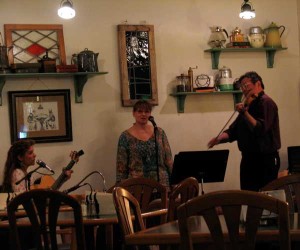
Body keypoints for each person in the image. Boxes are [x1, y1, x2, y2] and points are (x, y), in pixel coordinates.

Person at [208, 71, 281, 191]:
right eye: (242, 87)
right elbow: (233, 131)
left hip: (265, 160)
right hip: (248, 159)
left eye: (246, 85)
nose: (243, 90)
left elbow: (260, 129)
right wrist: (219, 139)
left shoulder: (267, 102)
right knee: (248, 196)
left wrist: (244, 113)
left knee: (265, 199)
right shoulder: (248, 106)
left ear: (258, 84)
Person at [116, 100, 173, 189]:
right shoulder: (125, 136)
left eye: (146, 111)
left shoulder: (159, 133)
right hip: (137, 186)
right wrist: (120, 188)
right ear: (133, 113)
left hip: (161, 185)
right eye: (140, 111)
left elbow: (168, 160)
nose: (143, 114)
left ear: (150, 114)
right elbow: (121, 167)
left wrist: (175, 181)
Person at [1, 139, 76, 193]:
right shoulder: (17, 173)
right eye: (30, 153)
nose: (35, 155)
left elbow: (50, 193)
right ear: (20, 157)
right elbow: (23, 199)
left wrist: (63, 178)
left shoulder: (28, 175)